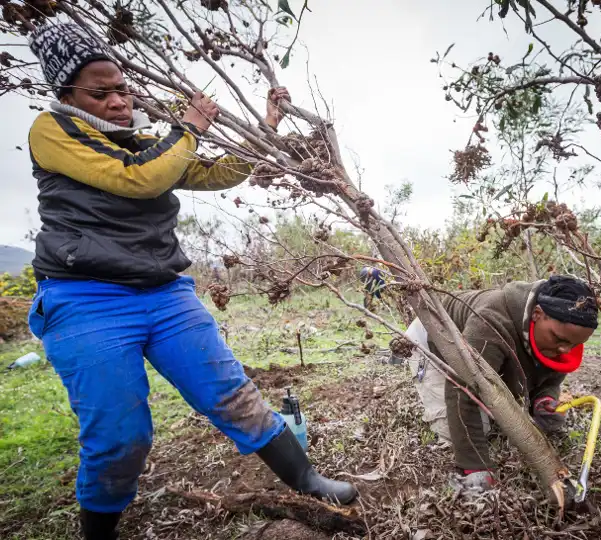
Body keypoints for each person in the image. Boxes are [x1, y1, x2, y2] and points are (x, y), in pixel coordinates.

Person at [26, 23, 356, 540]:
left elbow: (217, 172)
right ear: (67, 93)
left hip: (163, 293)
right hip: (85, 298)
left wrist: (265, 129)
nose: (116, 100)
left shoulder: (141, 141)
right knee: (120, 435)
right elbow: (138, 178)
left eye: (122, 89)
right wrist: (189, 127)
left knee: (233, 394)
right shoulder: (51, 131)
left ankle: (307, 479)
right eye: (100, 92)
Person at [405, 275, 598, 491]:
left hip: (477, 348)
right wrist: (474, 466)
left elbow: (548, 377)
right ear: (537, 314)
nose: (565, 350)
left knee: (498, 411)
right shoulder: (490, 322)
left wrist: (544, 399)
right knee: (461, 431)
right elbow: (462, 390)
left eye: (574, 344)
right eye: (560, 340)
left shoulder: (557, 338)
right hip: (432, 338)